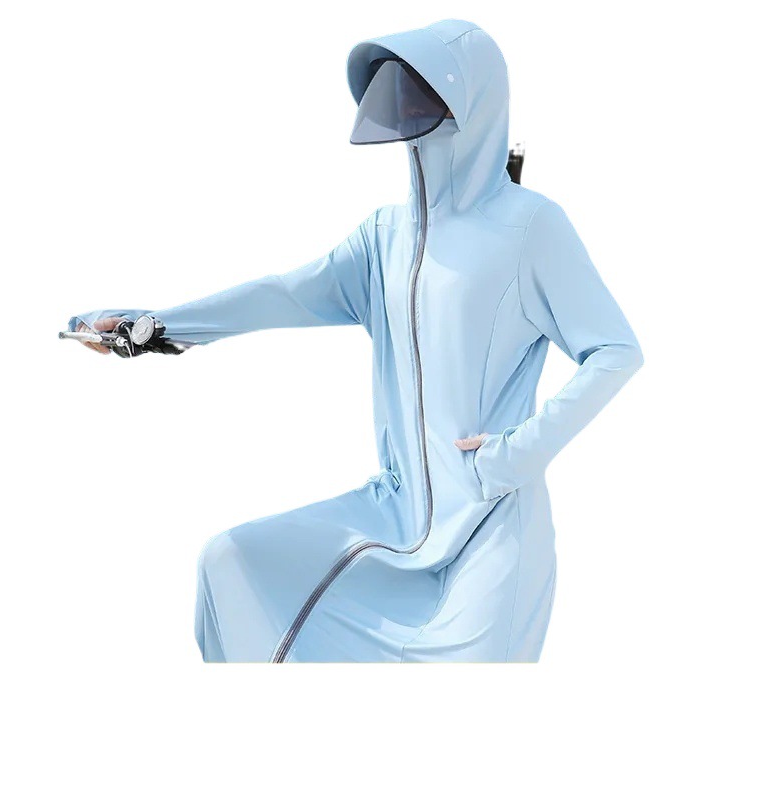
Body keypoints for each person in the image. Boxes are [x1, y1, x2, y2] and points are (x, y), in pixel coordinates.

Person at [67, 19, 643, 662]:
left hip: (489, 537)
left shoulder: (530, 226)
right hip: (395, 516)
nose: (404, 105)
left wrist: (512, 457)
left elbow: (615, 351)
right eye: (400, 89)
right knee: (229, 563)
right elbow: (283, 294)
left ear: (470, 98)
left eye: (422, 89)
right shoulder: (384, 238)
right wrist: (154, 327)